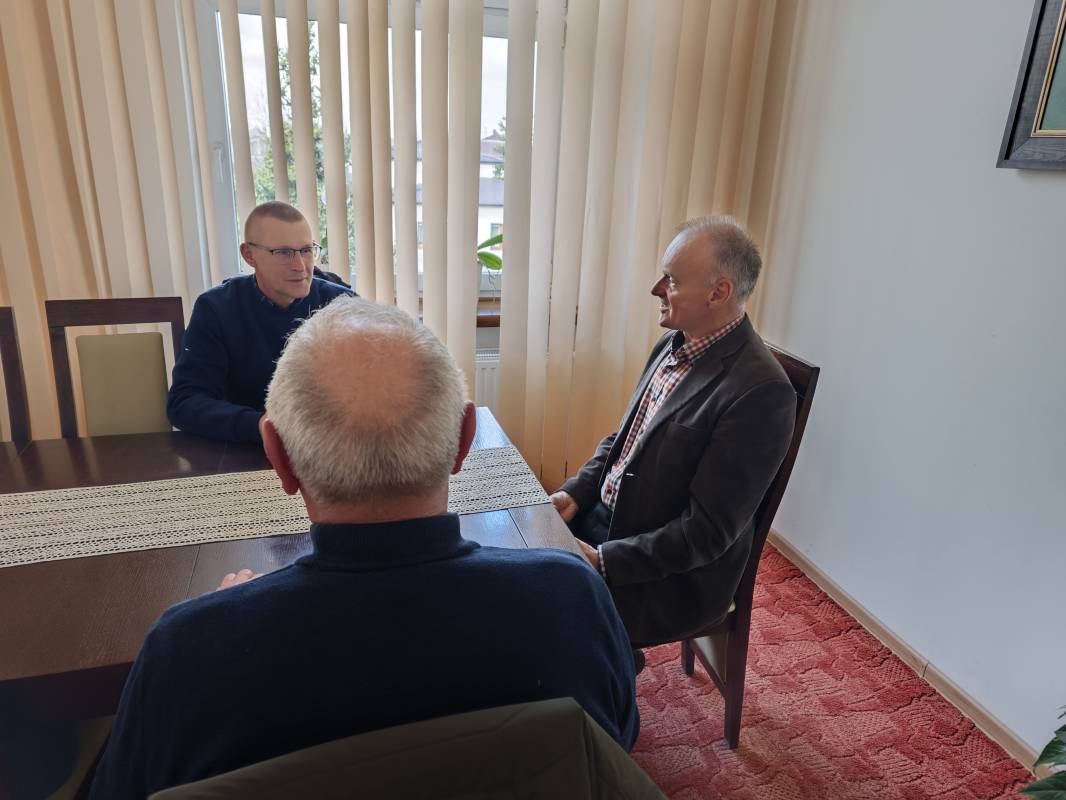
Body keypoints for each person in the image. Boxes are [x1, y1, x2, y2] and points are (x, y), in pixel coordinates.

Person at [90, 297, 639, 799]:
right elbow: (612, 748)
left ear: (278, 458)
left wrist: (221, 624)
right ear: (464, 441)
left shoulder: (186, 654)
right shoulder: (573, 599)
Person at [551, 216, 796, 655]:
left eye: (672, 279)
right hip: (612, 522)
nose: (656, 289)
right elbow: (625, 440)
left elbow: (706, 533)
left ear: (718, 292)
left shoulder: (761, 393)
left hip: (670, 577)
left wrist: (604, 560)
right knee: (513, 565)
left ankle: (608, 676)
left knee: (539, 607)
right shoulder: (674, 344)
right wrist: (575, 493)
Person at [166, 201, 352, 443]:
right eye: (283, 252)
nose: (300, 266)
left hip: (329, 447)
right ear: (249, 255)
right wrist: (260, 426)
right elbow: (184, 403)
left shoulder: (341, 304)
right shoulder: (216, 309)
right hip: (246, 447)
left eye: (306, 250)